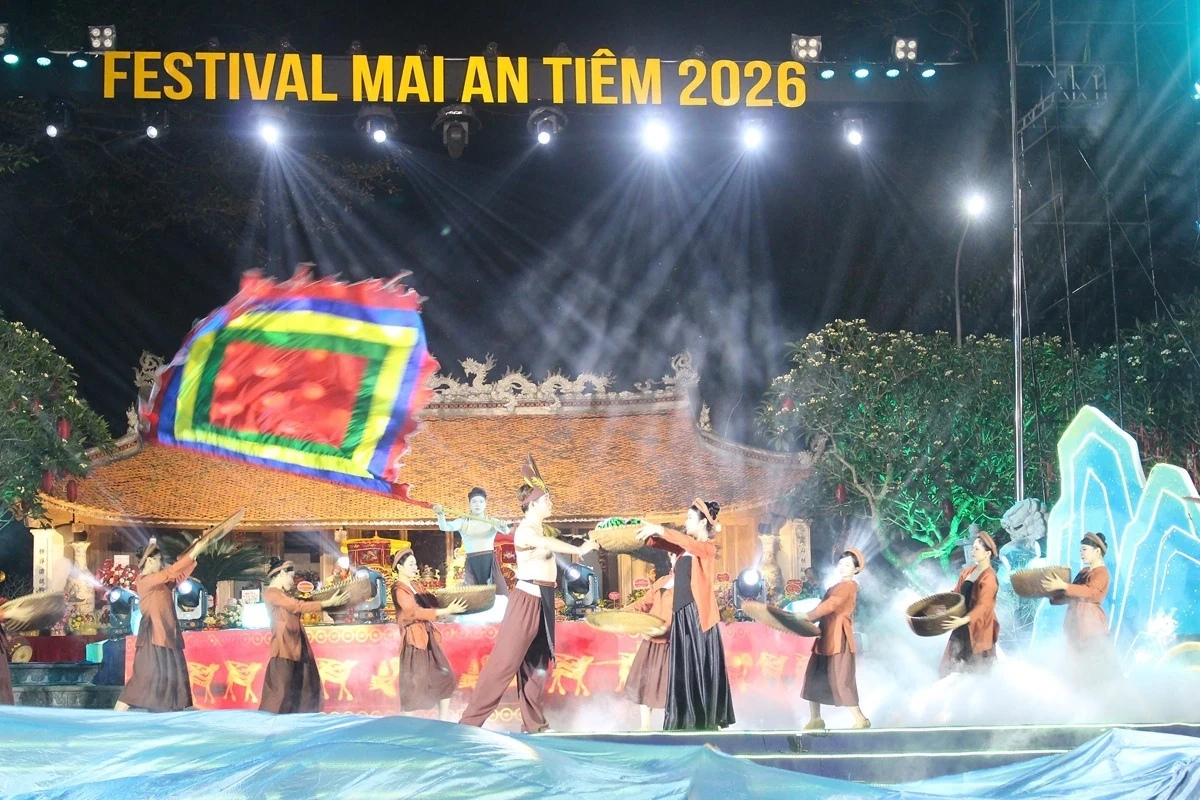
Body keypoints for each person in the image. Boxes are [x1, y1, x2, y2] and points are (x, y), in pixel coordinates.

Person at [459, 455, 597, 732]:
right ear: (533, 504)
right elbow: (546, 543)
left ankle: (535, 725)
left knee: (536, 665)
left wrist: (592, 538)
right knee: (503, 663)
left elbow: (556, 538)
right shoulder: (525, 531)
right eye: (547, 499)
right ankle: (468, 724)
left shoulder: (543, 528)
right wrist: (580, 550)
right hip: (526, 601)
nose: (551, 502)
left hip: (544, 600)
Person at [638, 498, 735, 731]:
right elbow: (663, 544)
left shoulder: (706, 548)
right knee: (684, 669)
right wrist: (647, 535)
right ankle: (686, 720)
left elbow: (684, 541)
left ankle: (705, 720)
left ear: (703, 523)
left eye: (690, 518)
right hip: (682, 616)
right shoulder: (684, 551)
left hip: (697, 617)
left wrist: (661, 529)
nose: (686, 522)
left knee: (699, 667)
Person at [116, 535, 214, 711]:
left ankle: (164, 713)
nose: (161, 564)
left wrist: (194, 551)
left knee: (170, 678)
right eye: (159, 560)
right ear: (150, 561)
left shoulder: (161, 581)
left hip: (167, 633)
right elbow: (171, 572)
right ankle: (115, 716)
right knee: (143, 677)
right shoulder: (145, 580)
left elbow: (178, 575)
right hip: (153, 635)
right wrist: (193, 553)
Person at [259, 559, 348, 714]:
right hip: (284, 647)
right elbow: (296, 606)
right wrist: (326, 603)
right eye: (291, 577)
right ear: (282, 573)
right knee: (280, 693)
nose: (292, 581)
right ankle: (270, 723)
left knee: (302, 691)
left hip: (297, 646)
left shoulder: (283, 595)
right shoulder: (272, 593)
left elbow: (299, 604)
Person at [392, 547, 467, 720]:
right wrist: (445, 611)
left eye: (415, 564)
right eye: (411, 564)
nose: (415, 567)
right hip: (414, 640)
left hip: (428, 637)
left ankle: (443, 720)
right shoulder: (398, 589)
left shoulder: (416, 585)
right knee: (413, 684)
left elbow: (433, 601)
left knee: (445, 676)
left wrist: (456, 599)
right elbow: (414, 612)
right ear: (400, 567)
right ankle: (408, 723)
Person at [801, 548, 870, 730]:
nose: (842, 567)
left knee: (842, 678)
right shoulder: (833, 588)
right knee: (814, 676)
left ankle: (861, 719)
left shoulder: (850, 586)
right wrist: (804, 621)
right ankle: (816, 719)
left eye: (847, 565)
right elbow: (822, 608)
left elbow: (830, 605)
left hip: (839, 638)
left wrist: (807, 616)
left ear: (856, 569)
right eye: (840, 564)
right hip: (825, 636)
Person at [1043, 532, 1114, 669]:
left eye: (1084, 549)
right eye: (1080, 550)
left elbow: (1090, 591)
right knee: (1076, 664)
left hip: (1091, 626)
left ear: (1097, 551)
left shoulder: (1101, 572)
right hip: (1074, 625)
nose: (1081, 553)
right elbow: (1072, 594)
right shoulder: (1084, 572)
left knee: (1095, 664)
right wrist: (1051, 594)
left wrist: (1064, 586)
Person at [622, 553, 676, 730]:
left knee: (670, 685)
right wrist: (621, 613)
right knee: (645, 683)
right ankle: (645, 726)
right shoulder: (662, 581)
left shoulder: (689, 584)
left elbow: (681, 614)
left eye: (678, 554)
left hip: (671, 642)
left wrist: (660, 630)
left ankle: (674, 726)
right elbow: (643, 603)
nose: (674, 557)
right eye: (672, 555)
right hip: (652, 641)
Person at [940, 532, 1000, 675]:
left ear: (987, 553)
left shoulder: (989, 578)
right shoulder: (968, 571)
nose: (972, 551)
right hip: (962, 624)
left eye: (976, 549)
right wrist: (943, 605)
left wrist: (963, 620)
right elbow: (956, 594)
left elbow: (984, 606)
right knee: (950, 666)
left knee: (977, 669)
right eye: (972, 548)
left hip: (979, 626)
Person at [435, 488, 510, 591]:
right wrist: (440, 515)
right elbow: (444, 527)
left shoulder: (492, 521)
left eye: (481, 502)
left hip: (489, 561)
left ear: (485, 504)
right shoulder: (463, 522)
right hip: (472, 561)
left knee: (497, 593)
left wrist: (503, 526)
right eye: (474, 502)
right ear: (469, 504)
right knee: (474, 594)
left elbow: (506, 531)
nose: (477, 504)